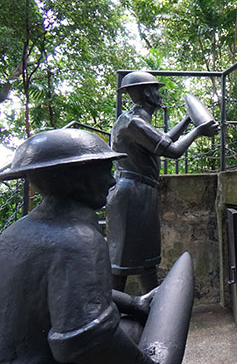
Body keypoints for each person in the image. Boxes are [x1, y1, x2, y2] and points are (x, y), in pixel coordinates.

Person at [0, 129, 158, 364]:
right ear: (73, 179)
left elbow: (71, 293)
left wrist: (134, 303)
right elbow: (86, 342)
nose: (112, 180)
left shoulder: (14, 232)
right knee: (135, 333)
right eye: (103, 172)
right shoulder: (77, 240)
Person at [106, 71, 218, 292]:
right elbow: (173, 151)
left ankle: (152, 311)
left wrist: (188, 119)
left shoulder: (137, 120)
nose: (160, 95)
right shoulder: (133, 123)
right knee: (120, 263)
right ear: (147, 93)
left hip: (141, 192)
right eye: (156, 90)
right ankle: (114, 314)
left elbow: (164, 140)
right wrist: (198, 130)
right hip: (132, 194)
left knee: (145, 258)